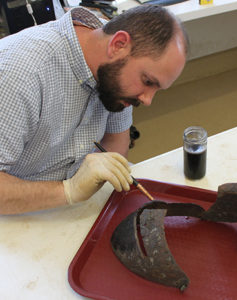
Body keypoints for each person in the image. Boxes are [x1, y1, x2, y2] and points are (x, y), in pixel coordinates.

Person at [0, 5, 188, 214]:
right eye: (147, 81)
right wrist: (68, 191)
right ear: (118, 45)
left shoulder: (115, 74)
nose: (147, 100)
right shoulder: (19, 74)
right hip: (15, 213)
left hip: (76, 208)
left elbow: (116, 145)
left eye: (157, 88)